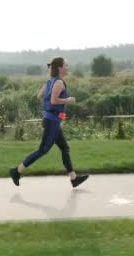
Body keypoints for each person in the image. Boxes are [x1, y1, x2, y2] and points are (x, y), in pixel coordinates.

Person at [9, 57, 89, 188]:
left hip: (52, 120)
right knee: (43, 150)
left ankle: (74, 178)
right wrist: (68, 100)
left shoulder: (50, 82)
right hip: (51, 122)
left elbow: (40, 96)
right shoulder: (58, 83)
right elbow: (53, 100)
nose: (68, 67)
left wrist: (50, 111)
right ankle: (16, 171)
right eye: (66, 65)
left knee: (64, 148)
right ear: (60, 68)